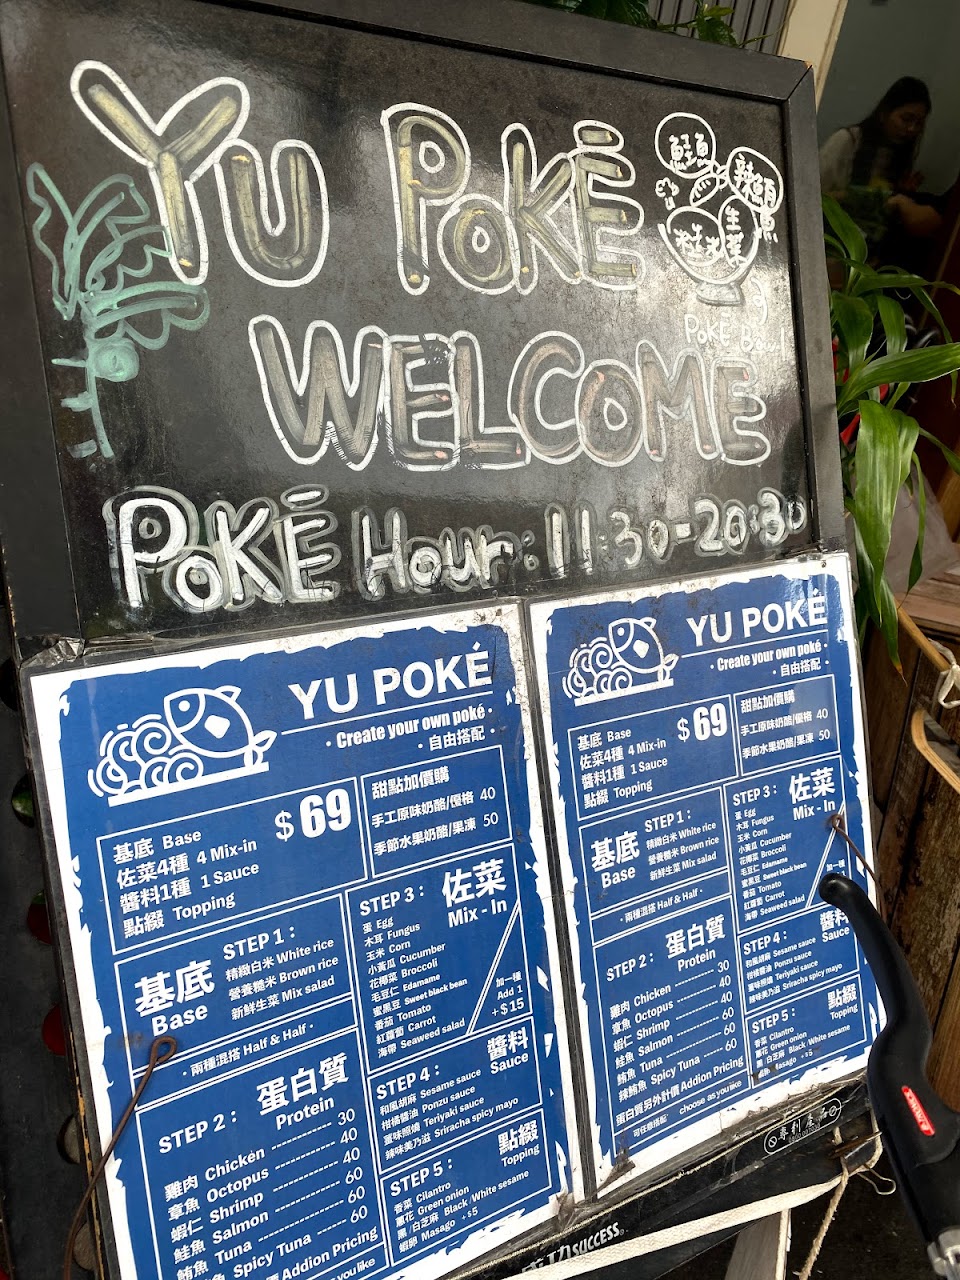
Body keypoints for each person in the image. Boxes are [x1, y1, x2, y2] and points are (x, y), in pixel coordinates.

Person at [819, 77, 942, 252]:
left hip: (867, 248)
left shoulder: (898, 155)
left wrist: (901, 193)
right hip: (828, 239)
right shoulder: (848, 140)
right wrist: (876, 198)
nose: (912, 129)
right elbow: (815, 197)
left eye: (919, 124)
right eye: (906, 119)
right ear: (884, 113)